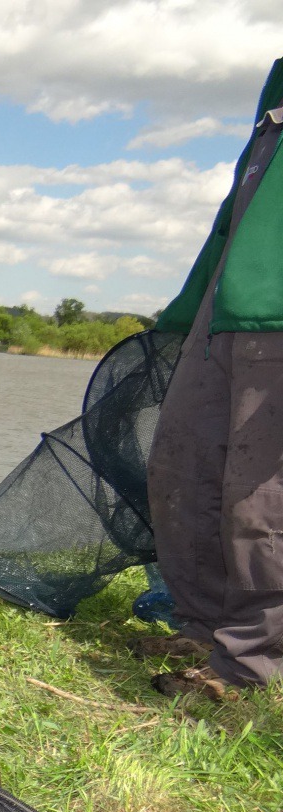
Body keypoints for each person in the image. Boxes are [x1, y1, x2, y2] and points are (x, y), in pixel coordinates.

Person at [140, 58, 283, 700]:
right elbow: (241, 212)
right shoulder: (277, 76)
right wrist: (189, 306)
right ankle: (201, 627)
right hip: (226, 308)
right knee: (183, 466)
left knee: (262, 501)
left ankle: (252, 667)